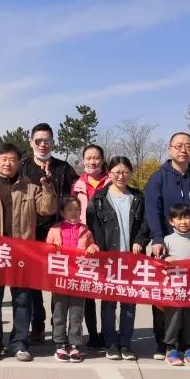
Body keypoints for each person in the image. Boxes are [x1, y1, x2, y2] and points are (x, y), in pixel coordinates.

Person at [0, 142, 57, 362]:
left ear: (19, 163)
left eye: (12, 160)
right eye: (4, 159)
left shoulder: (31, 188)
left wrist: (47, 185)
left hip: (21, 254)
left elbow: (48, 209)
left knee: (23, 300)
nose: (8, 163)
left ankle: (20, 344)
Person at [143, 132, 190, 359]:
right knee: (164, 298)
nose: (182, 150)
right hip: (167, 247)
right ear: (169, 149)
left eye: (187, 146)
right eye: (178, 146)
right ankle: (164, 343)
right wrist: (157, 238)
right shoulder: (159, 178)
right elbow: (152, 210)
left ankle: (189, 343)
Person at [87, 156, 149, 361]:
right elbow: (93, 226)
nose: (120, 176)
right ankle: (111, 343)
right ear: (109, 173)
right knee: (109, 303)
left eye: (125, 172)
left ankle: (126, 342)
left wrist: (140, 240)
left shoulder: (138, 197)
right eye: (116, 172)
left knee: (129, 303)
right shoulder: (98, 198)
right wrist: (97, 247)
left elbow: (145, 224)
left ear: (130, 173)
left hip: (131, 259)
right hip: (109, 259)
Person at [20, 122, 77, 344]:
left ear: (53, 143)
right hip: (30, 232)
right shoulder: (23, 168)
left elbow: (76, 198)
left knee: (58, 281)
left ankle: (58, 326)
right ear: (31, 142)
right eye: (39, 141)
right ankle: (37, 325)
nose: (43, 145)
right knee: (32, 282)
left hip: (59, 233)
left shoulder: (64, 168)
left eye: (48, 141)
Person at [46, 196, 98, 362]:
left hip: (78, 278)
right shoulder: (55, 230)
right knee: (59, 312)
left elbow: (94, 246)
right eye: (69, 209)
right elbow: (45, 251)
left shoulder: (86, 230)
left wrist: (93, 247)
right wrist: (52, 249)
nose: (73, 212)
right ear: (62, 212)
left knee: (76, 313)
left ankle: (75, 344)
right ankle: (60, 343)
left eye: (76, 209)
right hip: (60, 278)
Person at [72, 143, 108, 349]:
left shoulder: (111, 182)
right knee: (87, 291)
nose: (92, 161)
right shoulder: (77, 185)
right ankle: (93, 334)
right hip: (84, 242)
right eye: (88, 158)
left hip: (107, 241)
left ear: (102, 160)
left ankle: (106, 332)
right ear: (83, 160)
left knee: (106, 291)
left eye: (96, 158)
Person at [162, 204, 190, 367]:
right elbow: (156, 261)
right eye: (179, 218)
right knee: (173, 318)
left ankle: (188, 347)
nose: (183, 221)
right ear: (171, 221)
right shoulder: (166, 240)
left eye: (186, 217)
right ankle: (171, 348)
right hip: (173, 289)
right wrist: (165, 258)